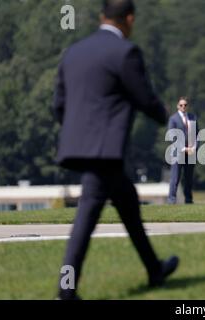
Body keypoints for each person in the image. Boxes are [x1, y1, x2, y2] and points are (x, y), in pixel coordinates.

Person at [52, 0, 178, 300]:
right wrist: (164, 116)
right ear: (130, 19)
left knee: (128, 203)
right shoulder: (125, 52)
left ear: (101, 17)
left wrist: (75, 134)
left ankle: (154, 269)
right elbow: (143, 96)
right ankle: (65, 291)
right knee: (87, 214)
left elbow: (59, 104)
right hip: (104, 149)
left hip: (79, 144)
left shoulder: (74, 51)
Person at [167, 97, 198, 204]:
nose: (183, 107)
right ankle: (171, 200)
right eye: (181, 105)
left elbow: (197, 134)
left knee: (188, 178)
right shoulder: (173, 119)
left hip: (190, 153)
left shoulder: (193, 117)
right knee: (175, 178)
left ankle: (189, 200)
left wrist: (194, 147)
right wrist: (183, 148)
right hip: (177, 153)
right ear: (177, 106)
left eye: (185, 105)